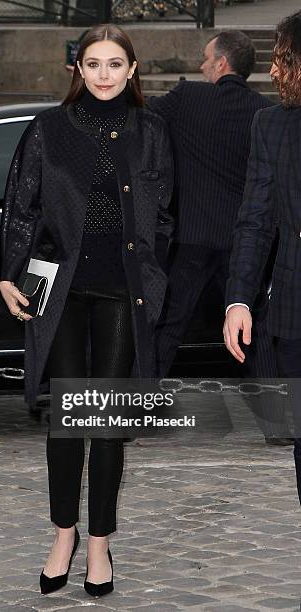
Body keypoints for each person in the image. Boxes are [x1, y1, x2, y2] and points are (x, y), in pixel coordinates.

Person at [0, 24, 173, 597]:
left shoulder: (151, 130)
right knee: (69, 419)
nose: (103, 74)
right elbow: (21, 205)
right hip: (63, 290)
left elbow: (165, 213)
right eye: (92, 63)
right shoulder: (48, 129)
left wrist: (152, 269)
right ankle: (63, 534)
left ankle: (99, 542)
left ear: (132, 70)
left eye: (114, 64)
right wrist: (9, 273)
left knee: (106, 422)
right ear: (77, 69)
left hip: (125, 289)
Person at [147, 30, 291, 444]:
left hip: (192, 238)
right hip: (244, 243)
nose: (201, 65)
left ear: (222, 63)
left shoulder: (188, 98)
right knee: (254, 328)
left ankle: (130, 418)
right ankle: (279, 429)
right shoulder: (264, 111)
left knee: (168, 325)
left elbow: (142, 111)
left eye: (206, 59)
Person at [224, 10, 301, 502]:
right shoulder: (270, 125)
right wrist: (238, 300)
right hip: (295, 310)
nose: (274, 71)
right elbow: (254, 221)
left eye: (285, 59)